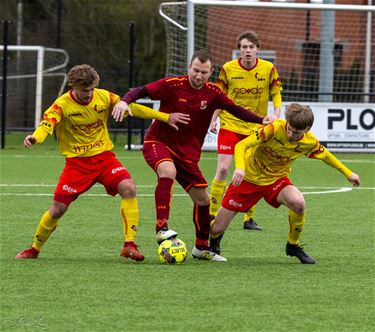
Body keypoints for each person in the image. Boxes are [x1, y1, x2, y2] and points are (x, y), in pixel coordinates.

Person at [112, 50, 276, 262]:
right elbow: (139, 90)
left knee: (203, 200)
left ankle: (201, 247)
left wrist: (261, 119)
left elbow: (235, 109)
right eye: (195, 70)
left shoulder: (213, 93)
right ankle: (162, 227)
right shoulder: (172, 84)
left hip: (188, 154)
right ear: (189, 67)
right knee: (167, 171)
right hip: (159, 143)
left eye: (204, 72)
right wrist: (124, 101)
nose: (198, 76)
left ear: (211, 72)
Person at [15, 64, 190, 261]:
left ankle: (129, 245)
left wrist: (165, 117)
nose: (89, 94)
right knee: (57, 209)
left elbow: (132, 108)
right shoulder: (61, 105)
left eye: (91, 89)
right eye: (84, 90)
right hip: (77, 164)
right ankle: (34, 248)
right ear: (73, 86)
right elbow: (46, 126)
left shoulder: (104, 97)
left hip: (105, 159)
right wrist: (35, 138)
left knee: (129, 188)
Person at [209, 103, 361, 264]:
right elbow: (242, 145)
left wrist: (348, 173)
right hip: (248, 180)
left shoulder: (309, 142)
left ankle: (292, 245)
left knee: (299, 203)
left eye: (296, 132)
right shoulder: (273, 129)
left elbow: (326, 156)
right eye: (289, 128)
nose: (290, 134)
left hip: (276, 180)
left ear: (307, 129)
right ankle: (213, 243)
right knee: (216, 228)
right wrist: (240, 168)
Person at [209, 31, 282, 231]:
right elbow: (219, 97)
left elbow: (276, 93)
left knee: (252, 170)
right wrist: (214, 119)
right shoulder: (228, 69)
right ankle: (212, 214)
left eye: (251, 47)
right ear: (238, 50)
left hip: (255, 126)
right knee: (224, 169)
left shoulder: (268, 68)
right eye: (244, 47)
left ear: (257, 49)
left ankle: (249, 218)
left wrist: (276, 113)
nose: (247, 50)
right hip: (230, 124)